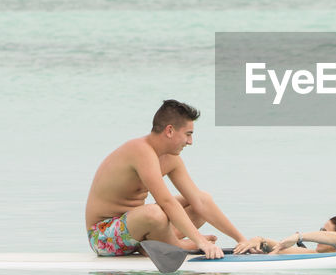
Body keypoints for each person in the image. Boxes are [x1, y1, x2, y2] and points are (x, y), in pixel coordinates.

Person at [85, 99, 251, 259]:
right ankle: (177, 245)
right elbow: (166, 202)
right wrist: (201, 241)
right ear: (170, 130)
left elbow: (200, 201)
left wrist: (241, 240)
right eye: (188, 134)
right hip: (102, 237)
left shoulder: (171, 159)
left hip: (137, 232)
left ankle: (155, 245)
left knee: (201, 201)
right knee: (154, 213)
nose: (190, 142)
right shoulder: (140, 150)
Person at [237, 215, 336, 255]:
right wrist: (259, 241)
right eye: (321, 230)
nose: (320, 234)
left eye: (324, 232)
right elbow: (279, 248)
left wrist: (298, 237)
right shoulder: (313, 255)